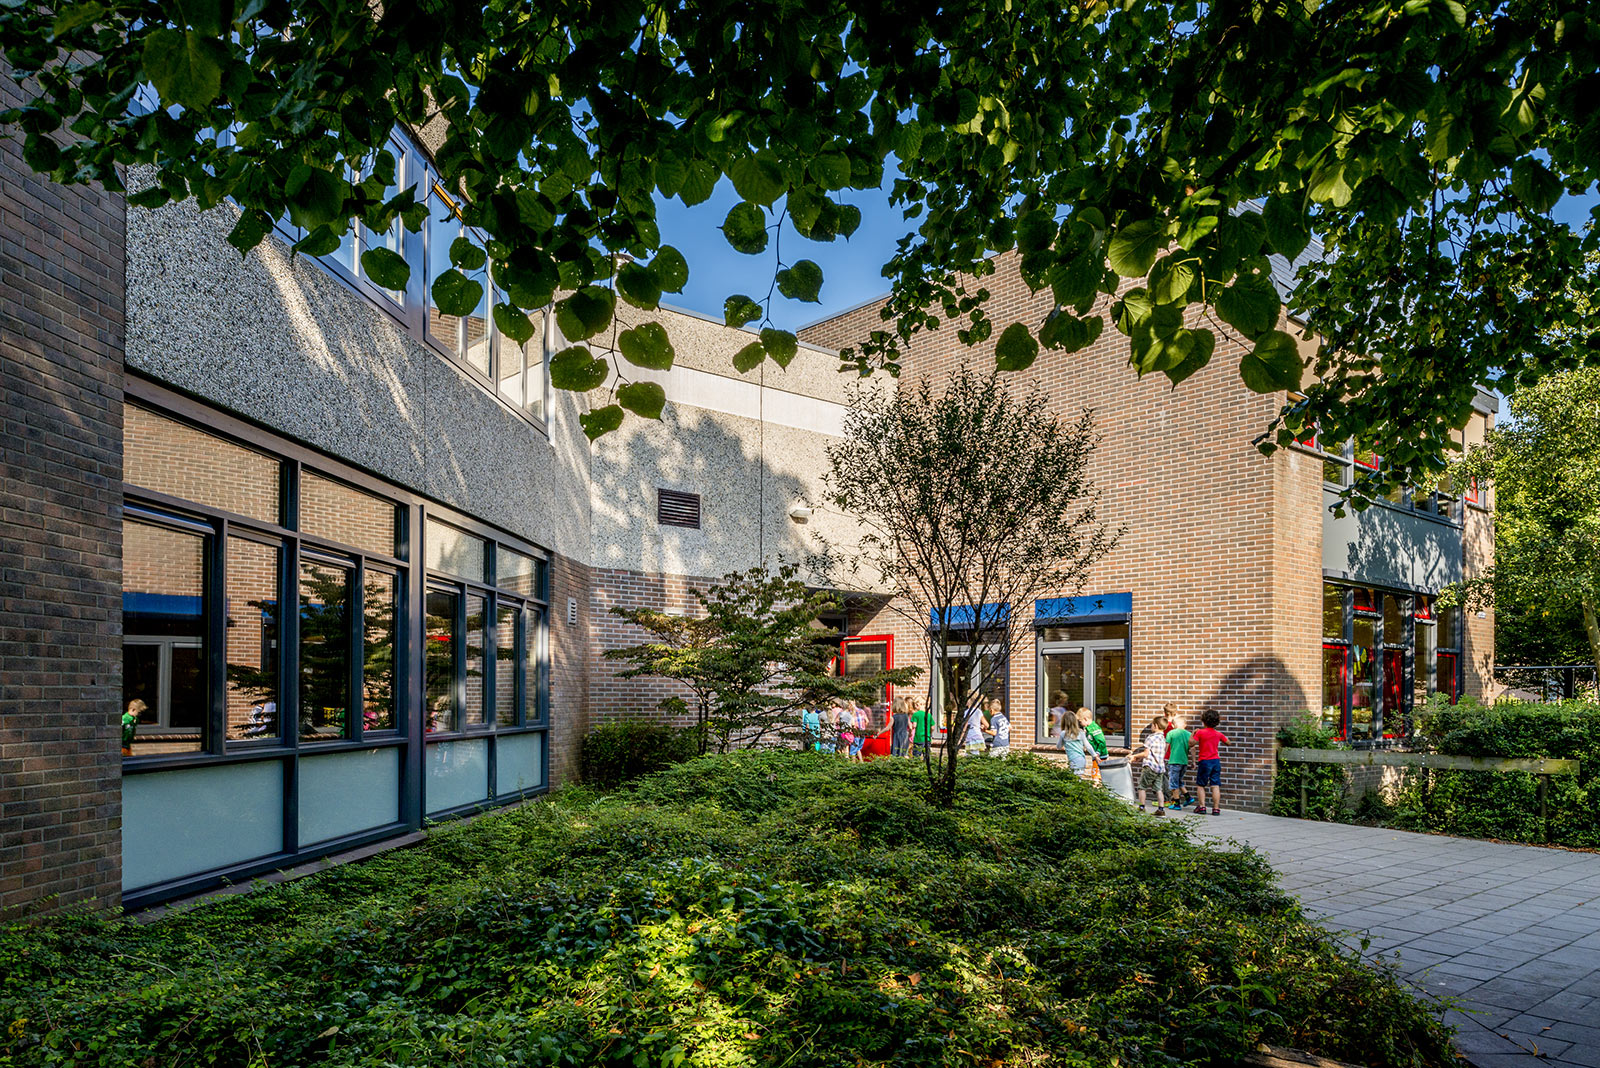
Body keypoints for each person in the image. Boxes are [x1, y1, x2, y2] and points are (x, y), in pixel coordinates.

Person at [1192, 709, 1231, 814]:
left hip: (1205, 761)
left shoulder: (1200, 732)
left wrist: (1193, 733)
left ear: (1203, 720)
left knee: (1201, 785)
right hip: (1215, 761)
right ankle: (1216, 808)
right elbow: (1228, 742)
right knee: (1215, 785)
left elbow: (1191, 743)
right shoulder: (1218, 734)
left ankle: (1202, 807)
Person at [1132, 713, 1168, 815]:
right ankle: (1161, 810)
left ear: (1156, 726)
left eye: (1152, 724)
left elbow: (1146, 753)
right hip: (1160, 768)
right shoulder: (1163, 739)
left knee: (1142, 787)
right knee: (1158, 789)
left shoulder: (1151, 738)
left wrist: (1134, 756)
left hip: (1150, 767)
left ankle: (1141, 807)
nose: (1151, 726)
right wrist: (1140, 758)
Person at [1164, 707, 1194, 809]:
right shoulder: (1189, 734)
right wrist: (1193, 761)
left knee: (1173, 783)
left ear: (1173, 725)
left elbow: (1166, 746)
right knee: (1179, 781)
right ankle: (1188, 797)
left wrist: (1162, 757)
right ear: (1185, 725)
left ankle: (1176, 803)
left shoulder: (1171, 733)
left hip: (1174, 761)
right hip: (1184, 762)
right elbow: (1193, 749)